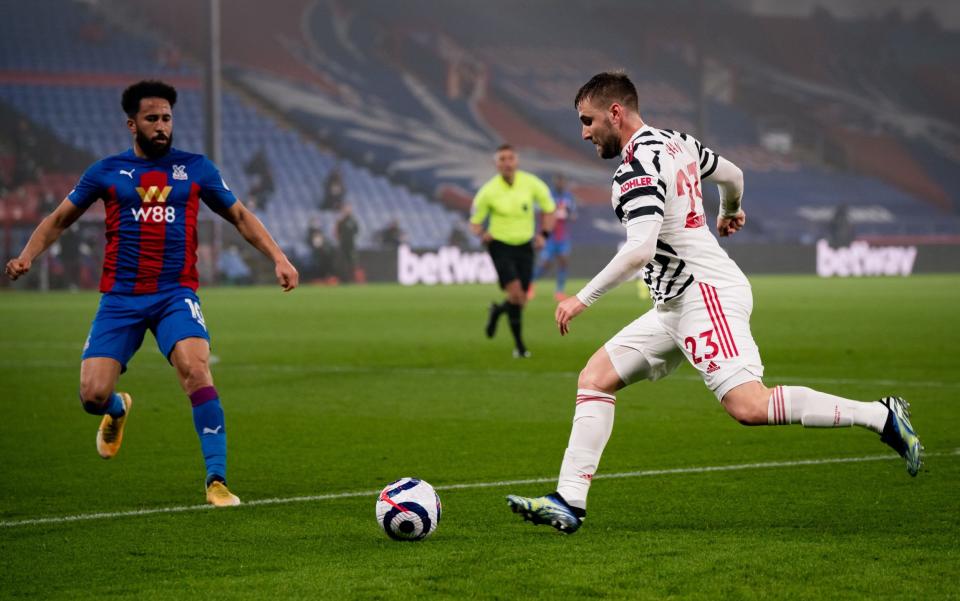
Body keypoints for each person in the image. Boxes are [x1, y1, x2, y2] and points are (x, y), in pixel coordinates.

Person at [505, 72, 922, 533]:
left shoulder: (635, 170)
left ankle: (881, 415)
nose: (584, 132)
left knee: (749, 406)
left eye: (588, 120)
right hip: (673, 304)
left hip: (705, 295)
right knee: (595, 378)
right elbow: (733, 175)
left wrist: (581, 299)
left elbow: (640, 250)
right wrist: (729, 210)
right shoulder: (676, 142)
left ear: (615, 113)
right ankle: (569, 500)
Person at [4, 80, 299, 507]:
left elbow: (238, 214)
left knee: (196, 369)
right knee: (92, 396)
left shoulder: (196, 168)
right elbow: (58, 219)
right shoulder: (106, 171)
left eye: (167, 118)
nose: (162, 126)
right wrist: (27, 255)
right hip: (120, 299)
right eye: (152, 119)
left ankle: (216, 480)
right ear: (132, 124)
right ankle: (117, 409)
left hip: (174, 294)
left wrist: (278, 256)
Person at [532, 174, 577, 301]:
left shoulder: (569, 197)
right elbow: (538, 211)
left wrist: (566, 214)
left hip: (562, 236)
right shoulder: (548, 196)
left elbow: (573, 215)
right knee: (545, 264)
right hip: (549, 236)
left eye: (562, 181)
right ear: (555, 182)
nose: (560, 184)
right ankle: (530, 284)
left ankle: (559, 291)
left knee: (563, 262)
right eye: (558, 181)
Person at [335, 202, 359, 282]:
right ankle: (342, 278)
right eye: (345, 209)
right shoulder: (341, 221)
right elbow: (336, 232)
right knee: (342, 262)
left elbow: (357, 231)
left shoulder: (353, 220)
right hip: (343, 244)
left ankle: (352, 278)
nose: (347, 210)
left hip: (351, 244)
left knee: (352, 262)